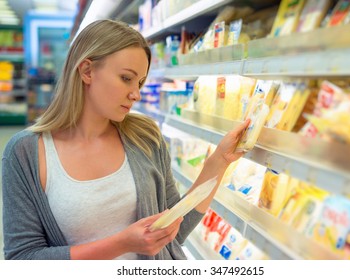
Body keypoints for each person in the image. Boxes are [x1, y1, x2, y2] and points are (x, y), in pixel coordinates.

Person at [1, 19, 249, 260]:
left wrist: (219, 161)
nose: (136, 94)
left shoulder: (145, 137)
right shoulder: (25, 152)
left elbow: (176, 230)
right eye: (126, 78)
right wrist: (122, 243)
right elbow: (23, 257)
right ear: (87, 70)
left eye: (140, 82)